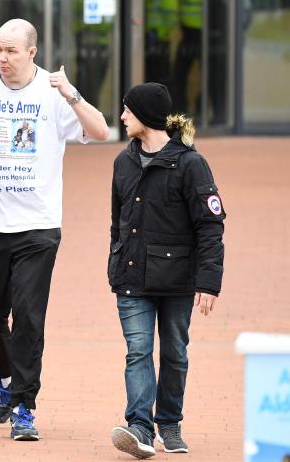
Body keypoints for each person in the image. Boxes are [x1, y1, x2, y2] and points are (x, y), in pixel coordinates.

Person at [0, 18, 109, 441]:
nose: (1, 58)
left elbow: (101, 131)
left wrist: (71, 93)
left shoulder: (53, 94)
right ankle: (6, 379)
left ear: (32, 53)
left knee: (29, 317)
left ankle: (24, 405)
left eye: (10, 51)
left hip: (38, 226)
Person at [108, 83, 225, 459]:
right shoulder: (123, 161)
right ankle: (140, 428)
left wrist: (209, 282)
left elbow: (210, 225)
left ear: (144, 115)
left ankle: (170, 424)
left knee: (174, 352)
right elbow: (117, 222)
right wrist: (116, 260)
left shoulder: (191, 164)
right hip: (131, 276)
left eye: (127, 110)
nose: (122, 117)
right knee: (138, 351)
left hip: (177, 280)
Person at [172, 0, 204, 115]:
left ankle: (201, 110)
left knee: (208, 77)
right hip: (188, 35)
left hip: (206, 37)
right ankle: (181, 111)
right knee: (179, 75)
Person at [143, 0, 179, 89]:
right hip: (147, 40)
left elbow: (171, 20)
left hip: (160, 41)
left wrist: (161, 35)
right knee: (148, 77)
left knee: (159, 78)